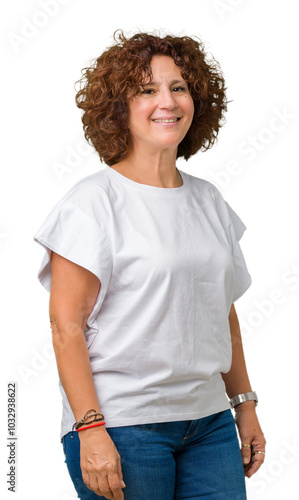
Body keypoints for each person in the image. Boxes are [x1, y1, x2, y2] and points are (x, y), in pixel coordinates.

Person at [34, 31, 266, 500]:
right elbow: (66, 326)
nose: (167, 102)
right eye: (147, 90)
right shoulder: (91, 205)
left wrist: (244, 405)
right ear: (118, 108)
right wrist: (91, 431)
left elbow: (223, 314)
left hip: (209, 426)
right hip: (125, 426)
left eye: (178, 87)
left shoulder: (209, 201)